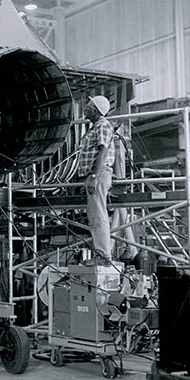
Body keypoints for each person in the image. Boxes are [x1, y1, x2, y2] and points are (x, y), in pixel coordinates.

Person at [75, 96, 115, 265]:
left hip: (98, 175)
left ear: (97, 109)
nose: (86, 107)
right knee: (95, 215)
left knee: (98, 216)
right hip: (94, 175)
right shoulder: (95, 127)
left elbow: (103, 152)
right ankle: (102, 254)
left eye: (89, 105)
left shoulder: (103, 125)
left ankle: (103, 257)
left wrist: (94, 176)